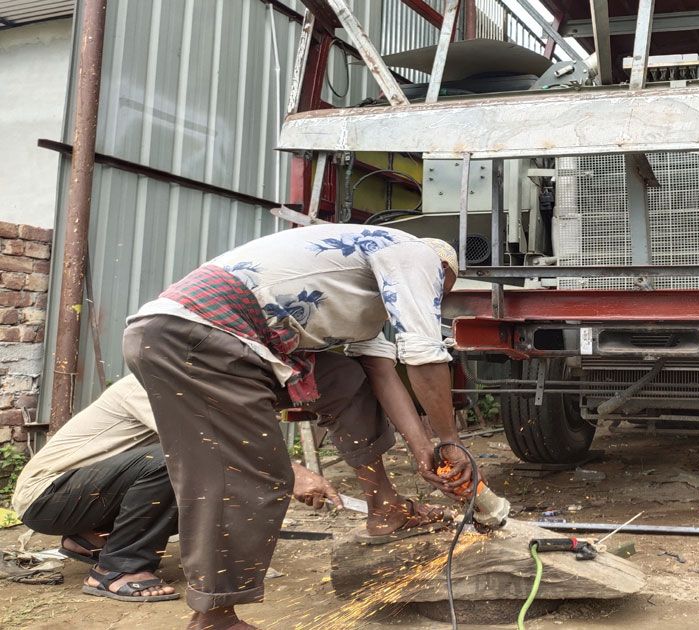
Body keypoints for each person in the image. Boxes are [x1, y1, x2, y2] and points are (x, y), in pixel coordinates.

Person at [123, 226, 467, 630]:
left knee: (345, 380)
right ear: (441, 269)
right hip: (195, 336)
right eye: (440, 290)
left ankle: (385, 508)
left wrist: (423, 447)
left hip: (205, 335)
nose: (434, 298)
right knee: (248, 471)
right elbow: (424, 353)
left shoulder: (367, 292)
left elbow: (379, 370)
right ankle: (214, 616)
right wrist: (450, 440)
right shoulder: (417, 254)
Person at [10, 375, 341, 603]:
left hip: (76, 500)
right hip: (47, 497)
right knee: (179, 458)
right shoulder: (154, 382)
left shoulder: (195, 389)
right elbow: (206, 443)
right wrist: (291, 472)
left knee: (212, 479)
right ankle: (118, 570)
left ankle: (89, 538)